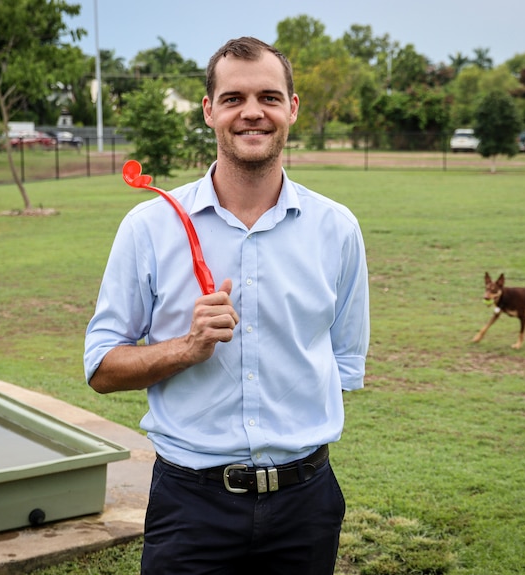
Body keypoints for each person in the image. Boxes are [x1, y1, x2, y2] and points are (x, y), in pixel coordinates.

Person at [84, 36, 370, 574]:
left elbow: (343, 362)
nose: (252, 112)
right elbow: (100, 369)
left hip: (305, 505)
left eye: (269, 96)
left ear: (292, 108)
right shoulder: (150, 227)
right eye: (234, 98)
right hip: (191, 505)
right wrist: (185, 349)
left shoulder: (338, 229)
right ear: (210, 110)